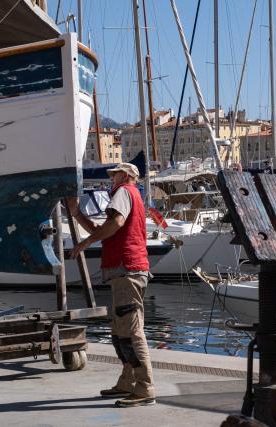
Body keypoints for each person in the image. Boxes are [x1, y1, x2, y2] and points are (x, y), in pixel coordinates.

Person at [67, 162, 156, 408]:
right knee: (119, 333)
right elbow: (104, 229)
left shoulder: (125, 192)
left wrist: (84, 244)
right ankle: (127, 382)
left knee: (132, 332)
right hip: (126, 271)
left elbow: (114, 224)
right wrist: (76, 214)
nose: (110, 179)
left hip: (128, 270)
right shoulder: (128, 195)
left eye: (114, 174)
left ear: (126, 176)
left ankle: (145, 387)